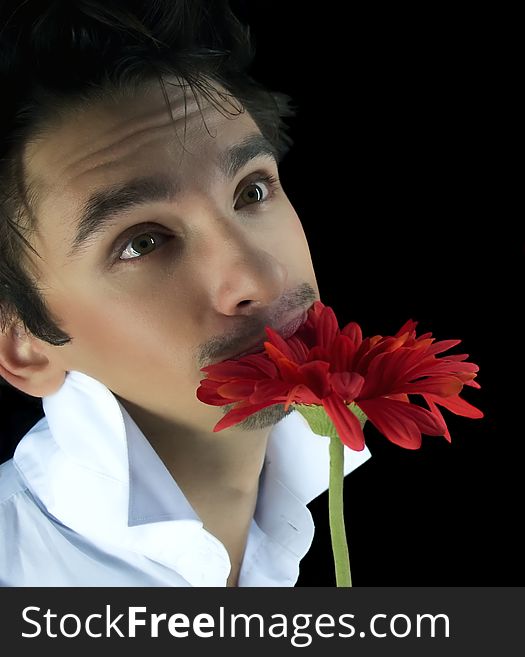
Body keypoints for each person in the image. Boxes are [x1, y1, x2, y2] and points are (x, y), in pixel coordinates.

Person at [0, 0, 369, 586]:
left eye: (251, 192)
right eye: (142, 242)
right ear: (27, 346)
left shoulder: (295, 509)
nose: (262, 280)